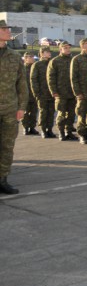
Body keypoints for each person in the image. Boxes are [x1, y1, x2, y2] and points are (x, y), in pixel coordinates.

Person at [0, 19, 28, 194]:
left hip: (10, 108)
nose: (8, 32)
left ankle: (2, 179)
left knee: (7, 145)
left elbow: (22, 84)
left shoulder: (14, 56)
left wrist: (22, 107)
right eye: (4, 29)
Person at [47, 41, 78, 141]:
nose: (68, 50)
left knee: (71, 114)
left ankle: (68, 132)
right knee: (61, 113)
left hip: (72, 92)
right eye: (65, 48)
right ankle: (61, 132)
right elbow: (50, 78)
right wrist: (53, 91)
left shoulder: (73, 60)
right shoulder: (55, 61)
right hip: (61, 93)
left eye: (69, 48)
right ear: (60, 49)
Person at [30, 46, 56, 138]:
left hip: (51, 92)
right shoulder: (37, 65)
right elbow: (33, 80)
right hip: (42, 93)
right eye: (47, 52)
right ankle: (43, 130)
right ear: (41, 53)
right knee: (43, 112)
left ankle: (50, 129)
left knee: (51, 112)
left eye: (49, 52)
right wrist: (36, 93)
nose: (49, 53)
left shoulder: (51, 64)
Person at [22, 51, 39, 135]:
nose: (32, 58)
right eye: (30, 57)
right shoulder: (21, 69)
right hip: (24, 94)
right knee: (25, 113)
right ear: (25, 59)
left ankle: (32, 127)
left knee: (34, 112)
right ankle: (25, 128)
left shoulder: (35, 68)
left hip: (34, 94)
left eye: (33, 57)